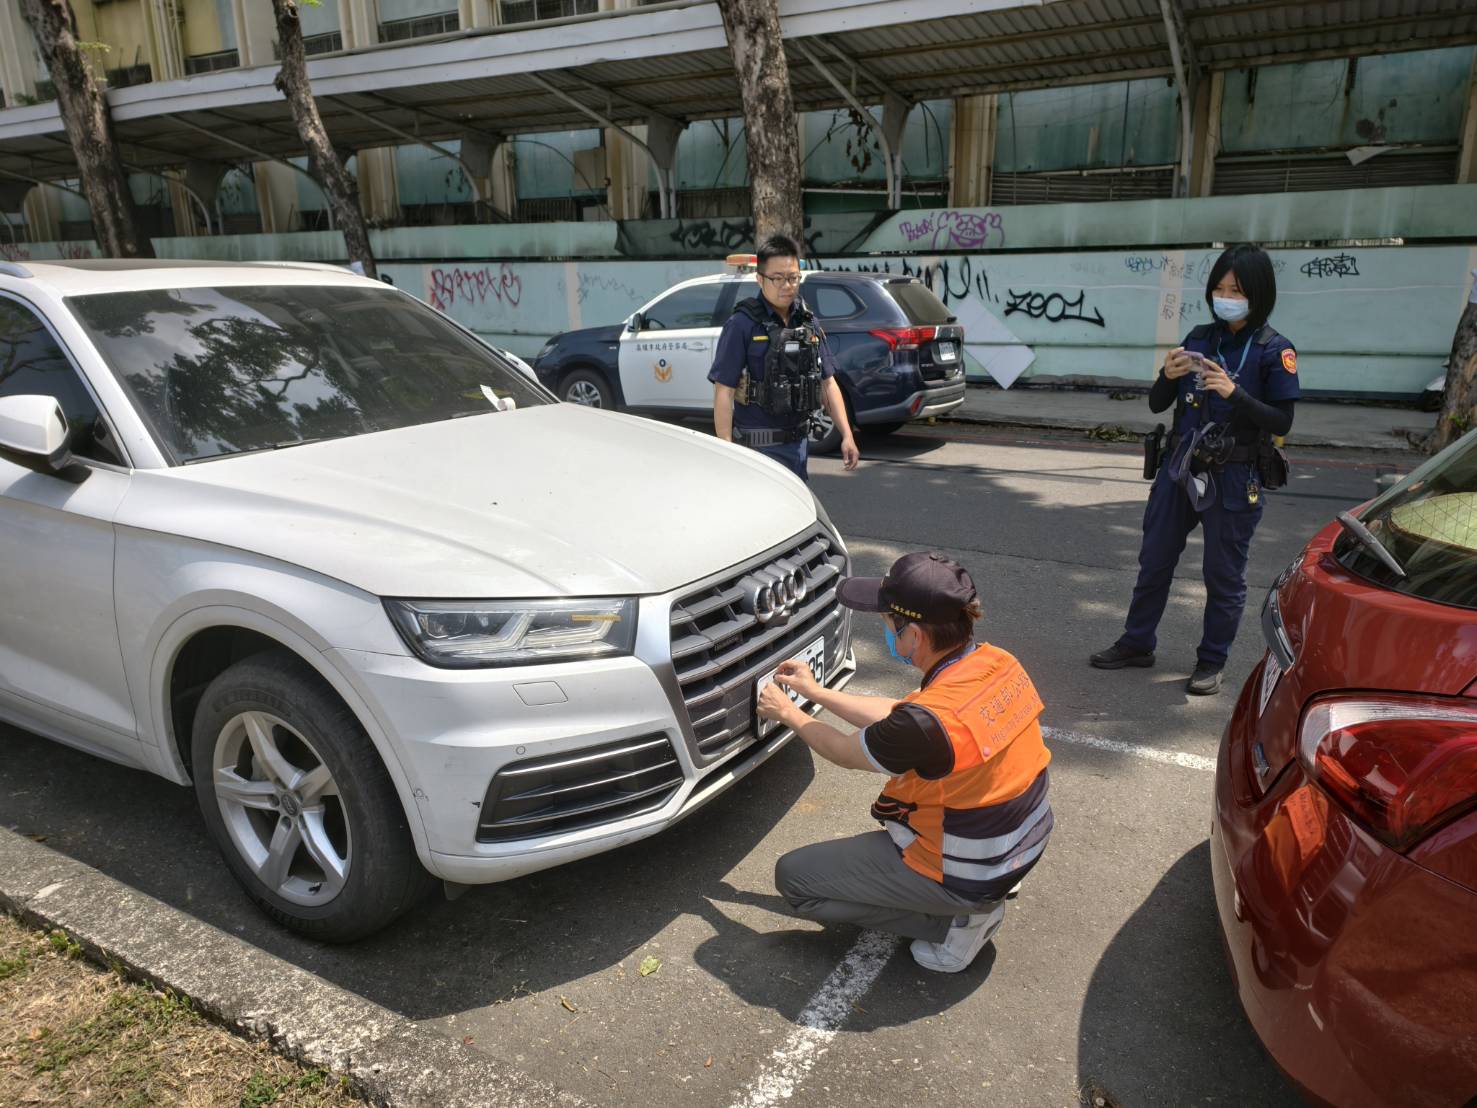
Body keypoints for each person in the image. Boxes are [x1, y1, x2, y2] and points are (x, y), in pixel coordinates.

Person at [757, 551, 1052, 973]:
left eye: (887, 623)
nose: (885, 631)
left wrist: (789, 714)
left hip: (971, 869)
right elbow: (900, 713)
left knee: (796, 880)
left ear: (914, 634)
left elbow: (845, 751)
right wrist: (817, 693)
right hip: (1020, 840)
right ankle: (976, 897)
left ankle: (954, 923)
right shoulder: (994, 662)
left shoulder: (927, 725)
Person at [1091, 243, 1300, 695]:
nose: (1225, 296)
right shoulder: (1200, 338)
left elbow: (1283, 421)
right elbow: (1156, 404)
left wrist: (1234, 394)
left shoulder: (1274, 350)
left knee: (1223, 575)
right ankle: (1136, 643)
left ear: (1258, 294)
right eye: (1219, 288)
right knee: (1154, 560)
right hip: (1181, 467)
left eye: (1236, 290)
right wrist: (1166, 375)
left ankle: (1211, 661)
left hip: (1234, 476)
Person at [708, 234, 859, 481]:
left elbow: (828, 383)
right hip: (757, 451)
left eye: (793, 278)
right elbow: (723, 390)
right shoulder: (742, 324)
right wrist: (726, 449)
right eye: (778, 278)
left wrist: (847, 435)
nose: (787, 285)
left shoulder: (808, 322)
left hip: (798, 446)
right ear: (760, 279)